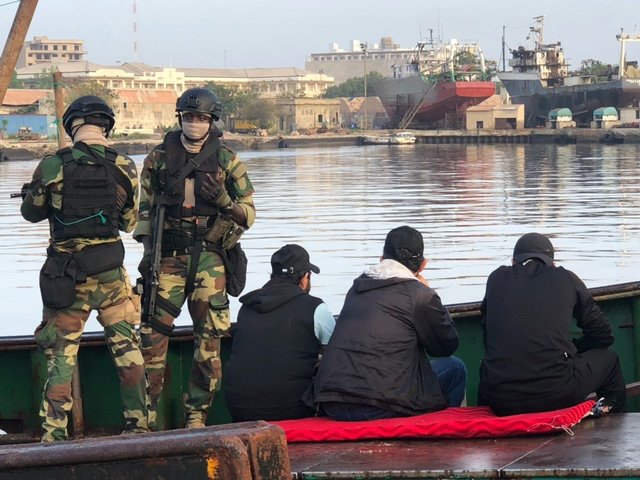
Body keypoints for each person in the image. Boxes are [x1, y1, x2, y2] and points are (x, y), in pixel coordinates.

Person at [21, 95, 148, 441]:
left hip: (66, 277)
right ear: (106, 126)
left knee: (60, 357)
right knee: (127, 352)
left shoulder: (52, 164)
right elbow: (128, 223)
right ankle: (139, 427)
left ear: (72, 126)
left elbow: (31, 213)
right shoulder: (124, 165)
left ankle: (54, 436)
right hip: (110, 274)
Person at [134, 87, 256, 429]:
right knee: (151, 336)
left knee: (209, 338)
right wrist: (147, 254)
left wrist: (224, 203)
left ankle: (197, 416)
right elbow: (143, 212)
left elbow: (248, 214)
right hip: (167, 256)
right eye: (189, 118)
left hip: (210, 257)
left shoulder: (228, 159)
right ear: (180, 119)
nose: (194, 124)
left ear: (211, 121)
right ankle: (146, 418)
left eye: (201, 118)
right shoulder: (158, 158)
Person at [305, 226, 466, 421]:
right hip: (379, 407)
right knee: (455, 368)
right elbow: (445, 347)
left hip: (332, 403)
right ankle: (441, 439)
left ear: (382, 259)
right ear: (423, 264)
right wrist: (431, 294)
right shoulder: (420, 295)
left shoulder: (356, 288)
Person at [478, 232, 626, 416]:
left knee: (487, 367)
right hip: (556, 393)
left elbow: (488, 341)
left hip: (499, 400)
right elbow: (603, 335)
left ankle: (485, 428)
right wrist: (574, 348)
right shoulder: (566, 278)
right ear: (552, 262)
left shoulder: (495, 279)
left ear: (513, 261)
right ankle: (612, 420)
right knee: (609, 359)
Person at [223, 244, 335, 421]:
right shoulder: (315, 307)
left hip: (239, 410)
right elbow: (335, 357)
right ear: (305, 277)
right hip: (291, 410)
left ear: (273, 274)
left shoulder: (248, 306)